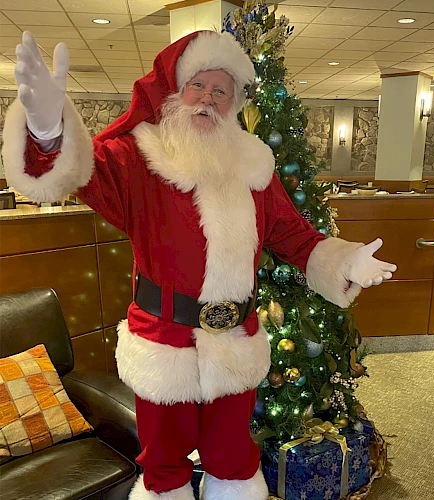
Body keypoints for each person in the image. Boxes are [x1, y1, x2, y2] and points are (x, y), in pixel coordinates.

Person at [2, 30, 397, 500]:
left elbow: (292, 233)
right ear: (176, 91)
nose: (208, 99)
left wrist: (344, 259)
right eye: (199, 86)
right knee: (164, 464)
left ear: (233, 103)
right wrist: (48, 130)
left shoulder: (253, 163)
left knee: (233, 457)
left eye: (220, 90)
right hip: (163, 341)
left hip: (235, 340)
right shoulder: (140, 156)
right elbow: (84, 173)